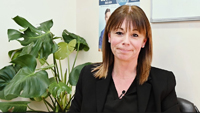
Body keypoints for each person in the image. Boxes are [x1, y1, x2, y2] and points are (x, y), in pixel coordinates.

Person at [68, 5, 180, 112]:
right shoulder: (88, 76)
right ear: (109, 37)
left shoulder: (163, 82)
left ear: (144, 42)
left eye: (134, 35)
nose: (126, 41)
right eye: (119, 33)